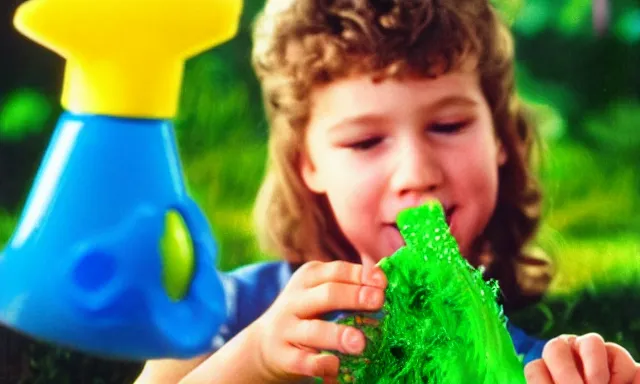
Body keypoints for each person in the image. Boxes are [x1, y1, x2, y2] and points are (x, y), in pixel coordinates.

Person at [136, 0, 640, 382]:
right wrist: (255, 359)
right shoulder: (229, 311)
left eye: (448, 125)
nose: (417, 173)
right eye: (366, 140)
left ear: (500, 139)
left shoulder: (512, 359)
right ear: (308, 164)